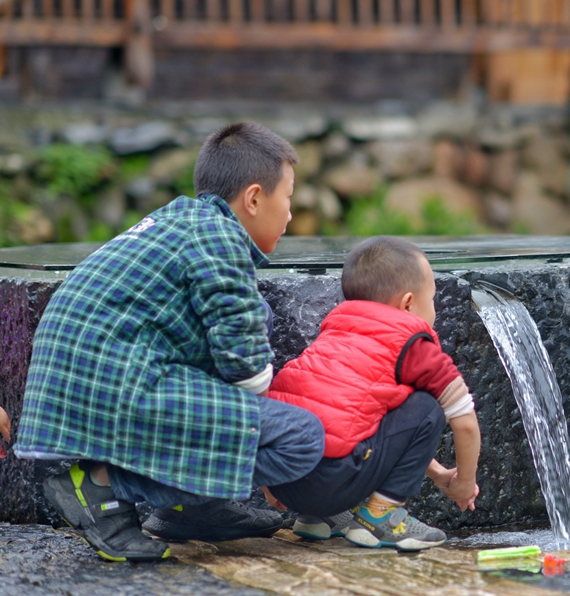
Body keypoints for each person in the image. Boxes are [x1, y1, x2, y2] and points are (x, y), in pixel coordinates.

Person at [14, 122, 326, 562]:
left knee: (261, 314)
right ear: (254, 198)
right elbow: (244, 365)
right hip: (116, 379)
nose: (291, 214)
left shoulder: (179, 220)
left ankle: (191, 510)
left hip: (88, 381)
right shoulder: (220, 236)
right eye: (288, 198)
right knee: (300, 438)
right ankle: (100, 486)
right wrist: (262, 425)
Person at [264, 236, 482, 551]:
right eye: (431, 299)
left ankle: (317, 518)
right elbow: (465, 422)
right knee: (427, 407)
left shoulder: (335, 331)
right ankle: (380, 517)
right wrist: (463, 483)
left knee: (341, 412)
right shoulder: (415, 347)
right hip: (331, 482)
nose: (433, 309)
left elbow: (366, 427)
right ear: (408, 303)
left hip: (282, 479)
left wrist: (435, 472)